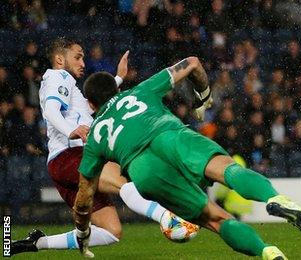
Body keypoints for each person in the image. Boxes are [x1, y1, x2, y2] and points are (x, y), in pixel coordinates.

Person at [72, 56, 301, 259]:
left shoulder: (95, 136)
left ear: (91, 105)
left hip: (143, 171)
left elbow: (84, 198)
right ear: (117, 88)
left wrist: (83, 234)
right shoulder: (140, 91)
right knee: (228, 170)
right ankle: (275, 198)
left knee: (215, 219)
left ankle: (267, 251)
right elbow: (192, 62)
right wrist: (203, 95)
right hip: (169, 136)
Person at [10, 38, 182, 255]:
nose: (83, 62)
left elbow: (86, 110)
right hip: (70, 156)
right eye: (78, 56)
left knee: (112, 231)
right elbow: (52, 111)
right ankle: (168, 219)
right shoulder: (58, 76)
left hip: (62, 166)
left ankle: (38, 243)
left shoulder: (67, 86)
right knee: (122, 181)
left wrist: (118, 78)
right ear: (60, 59)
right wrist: (69, 130)